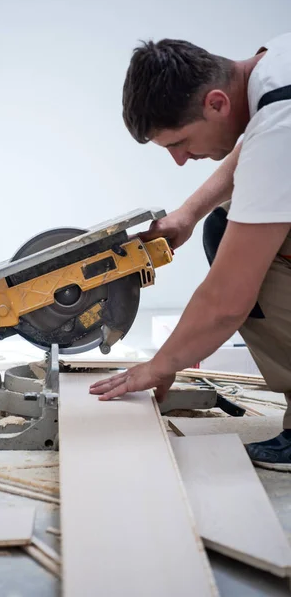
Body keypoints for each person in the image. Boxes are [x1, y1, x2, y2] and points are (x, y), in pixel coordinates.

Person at [89, 34, 291, 471]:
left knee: (241, 254)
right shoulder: (275, 64)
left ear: (216, 103)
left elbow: (226, 301)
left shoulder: (282, 119)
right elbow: (256, 150)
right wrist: (189, 213)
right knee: (221, 223)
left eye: (179, 143)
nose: (181, 160)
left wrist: (160, 366)